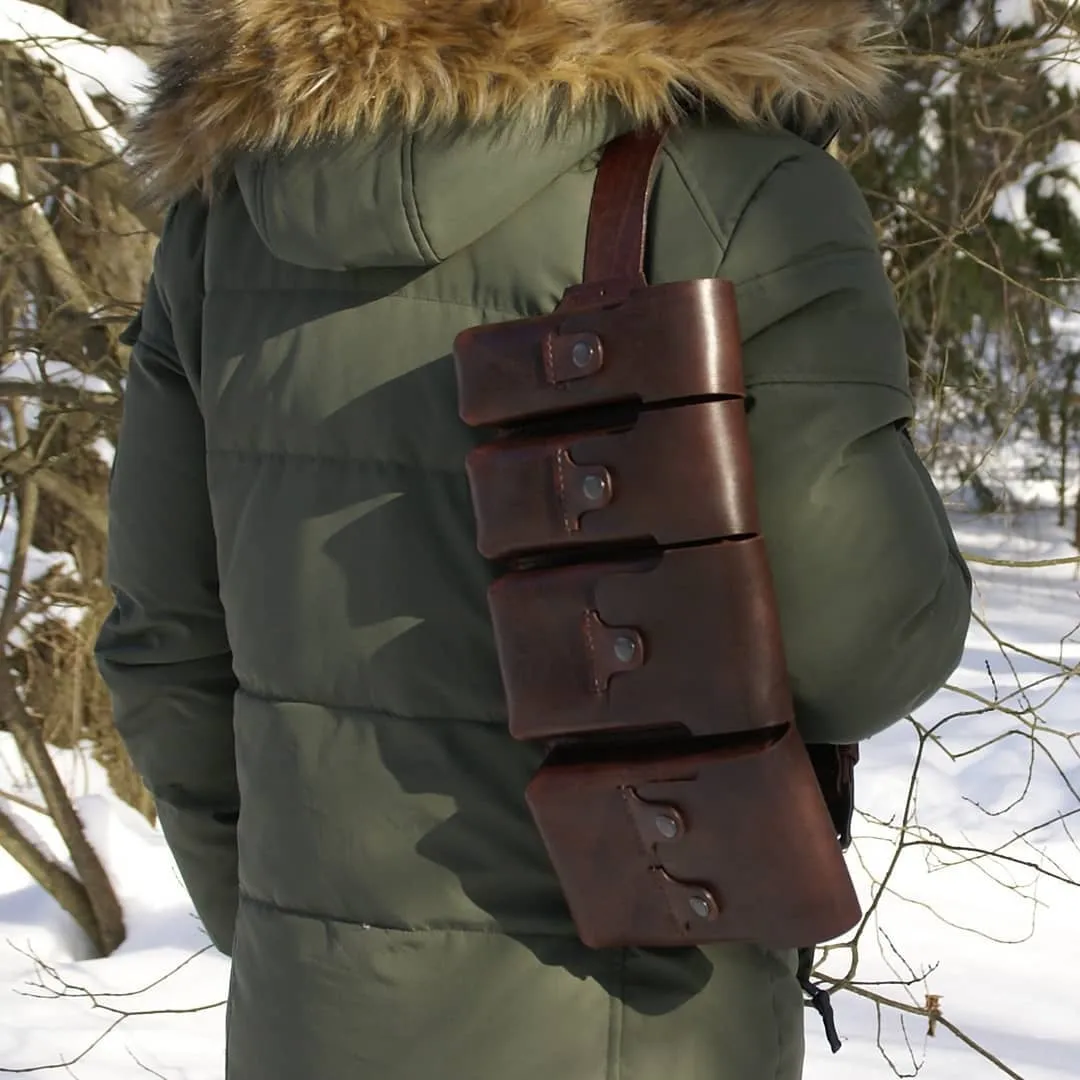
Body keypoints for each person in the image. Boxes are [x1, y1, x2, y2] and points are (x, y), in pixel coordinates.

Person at [96, 2, 973, 1078]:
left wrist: (295, 932)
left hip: (313, 1021)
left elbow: (163, 647)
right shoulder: (742, 193)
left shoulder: (225, 215)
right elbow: (859, 649)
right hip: (645, 1016)